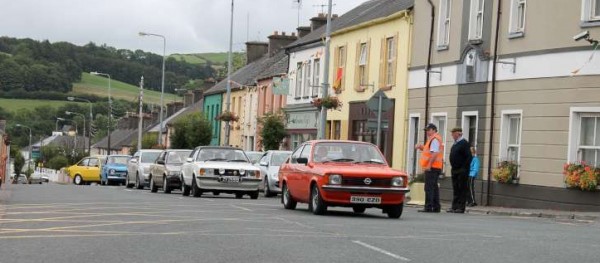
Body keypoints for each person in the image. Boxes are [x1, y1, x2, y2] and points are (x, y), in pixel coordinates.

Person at [415, 123, 444, 213]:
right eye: (426, 130)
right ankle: (436, 207)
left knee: (429, 187)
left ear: (434, 130)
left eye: (428, 130)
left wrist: (429, 165)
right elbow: (430, 151)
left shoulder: (434, 139)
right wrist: (421, 147)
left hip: (432, 167)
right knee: (434, 187)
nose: (427, 132)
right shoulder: (434, 139)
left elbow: (434, 153)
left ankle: (428, 207)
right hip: (436, 167)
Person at [448, 127, 472, 213]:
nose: (452, 135)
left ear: (458, 134)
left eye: (453, 133)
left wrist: (464, 168)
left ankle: (461, 207)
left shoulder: (464, 143)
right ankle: (454, 206)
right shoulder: (455, 144)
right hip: (454, 169)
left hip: (462, 170)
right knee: (456, 188)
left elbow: (469, 157)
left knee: (462, 188)